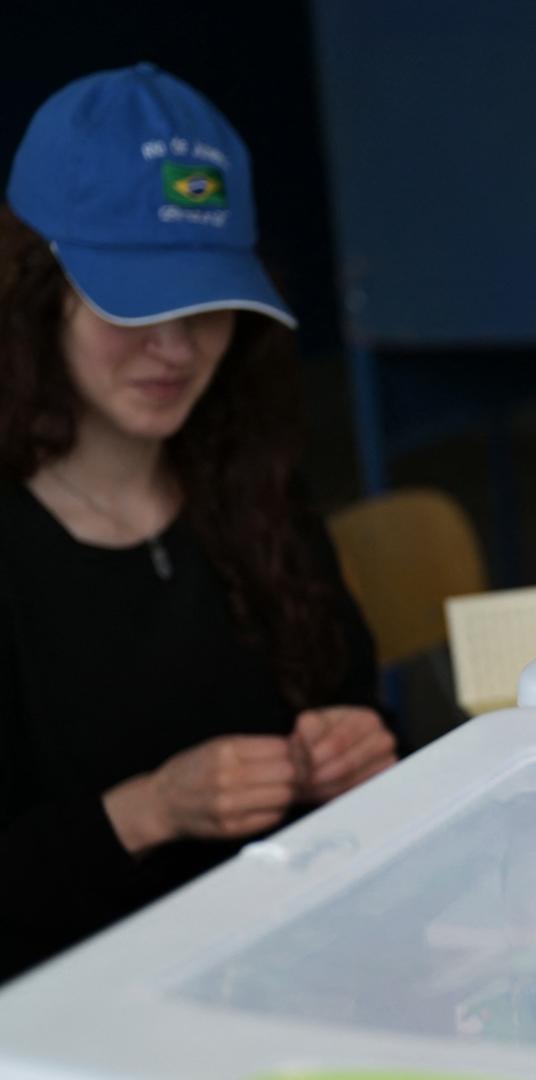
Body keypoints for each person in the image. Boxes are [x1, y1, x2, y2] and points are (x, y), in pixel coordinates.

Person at [0, 64, 397, 981]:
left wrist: (362, 749)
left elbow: (355, 695)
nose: (177, 348)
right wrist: (149, 811)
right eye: (132, 303)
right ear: (32, 291)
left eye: (209, 302)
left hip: (291, 967)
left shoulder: (248, 486)